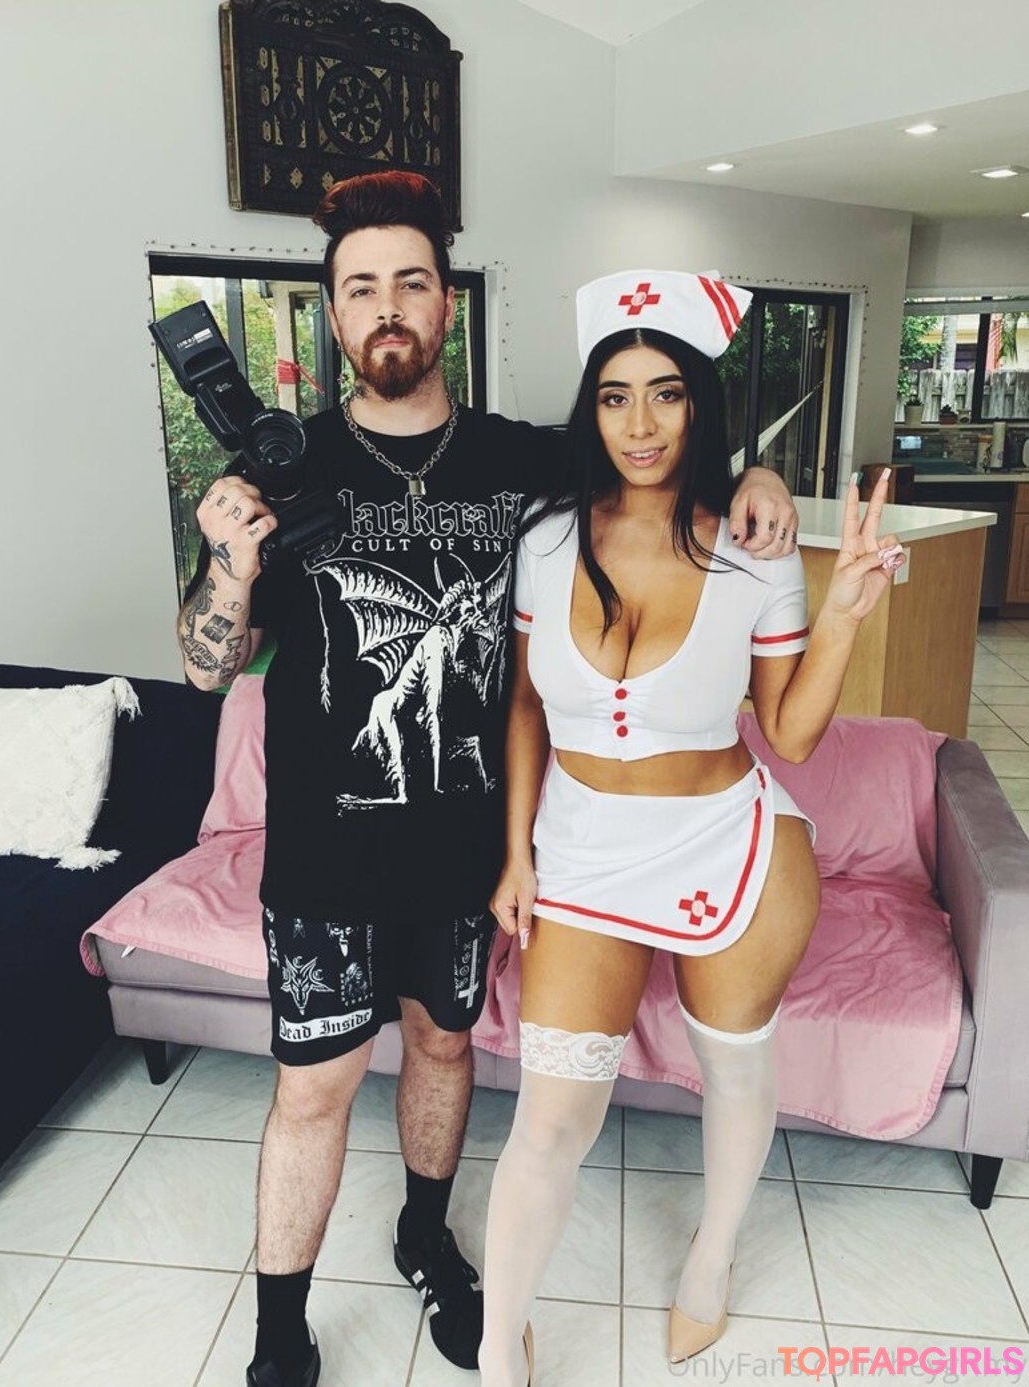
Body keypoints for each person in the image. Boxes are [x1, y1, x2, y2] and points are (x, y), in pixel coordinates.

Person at [175, 177, 800, 1387]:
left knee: (445, 1051)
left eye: (411, 281)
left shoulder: (523, 460)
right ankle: (277, 1331)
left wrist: (759, 483)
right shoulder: (283, 474)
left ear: (445, 305)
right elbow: (205, 667)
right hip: (326, 853)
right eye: (362, 287)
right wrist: (229, 566)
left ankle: (426, 1239)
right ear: (334, 314)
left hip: (468, 849)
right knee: (314, 1088)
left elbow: (657, 454)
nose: (388, 306)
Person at [477, 269, 904, 1386]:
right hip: (581, 852)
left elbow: (792, 734)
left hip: (732, 846)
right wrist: (517, 853)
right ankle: (497, 1340)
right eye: (615, 396)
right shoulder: (544, 541)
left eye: (666, 394)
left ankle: (711, 1258)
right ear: (591, 410)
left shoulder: (755, 547)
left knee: (734, 1070)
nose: (641, 424)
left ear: (699, 406)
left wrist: (845, 610)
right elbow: (524, 708)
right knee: (548, 1122)